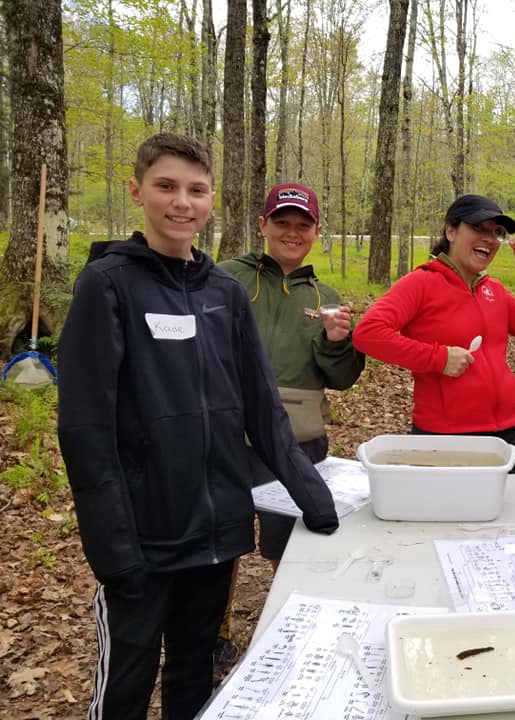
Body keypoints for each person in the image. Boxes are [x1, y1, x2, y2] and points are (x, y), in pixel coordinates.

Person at [57, 133, 340, 720]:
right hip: (143, 537)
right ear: (138, 191)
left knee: (193, 669)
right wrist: (114, 552)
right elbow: (86, 431)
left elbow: (263, 411)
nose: (181, 202)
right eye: (166, 186)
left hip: (216, 531)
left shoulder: (224, 294)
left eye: (196, 190)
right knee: (127, 682)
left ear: (213, 201)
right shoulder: (108, 285)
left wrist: (315, 500)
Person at [214, 182, 364, 665]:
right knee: (223, 543)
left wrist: (340, 341)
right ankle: (217, 634)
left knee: (290, 544)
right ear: (262, 225)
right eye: (282, 222)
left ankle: (287, 633)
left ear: (317, 231)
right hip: (225, 436)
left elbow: (341, 379)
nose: (292, 233)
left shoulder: (327, 295)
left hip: (298, 441)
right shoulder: (225, 280)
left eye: (303, 225)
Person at [352, 194, 515, 502]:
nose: (489, 238)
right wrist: (438, 358)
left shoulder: (493, 290)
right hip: (447, 438)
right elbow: (368, 333)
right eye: (478, 228)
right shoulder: (421, 283)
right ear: (450, 232)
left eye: (496, 232)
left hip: (510, 433)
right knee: (455, 531)